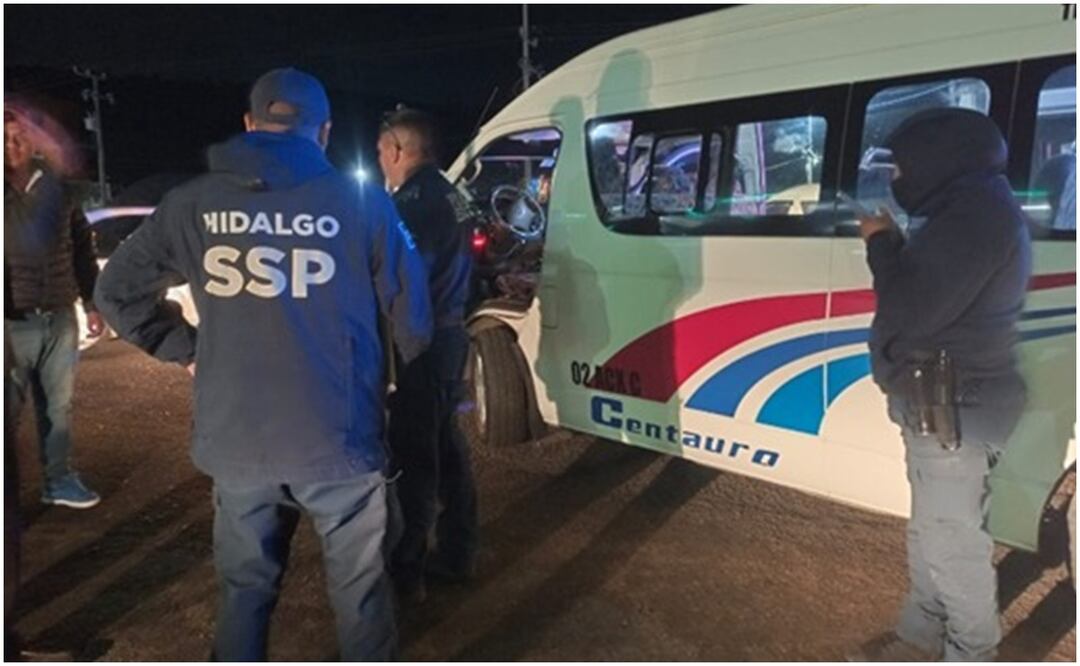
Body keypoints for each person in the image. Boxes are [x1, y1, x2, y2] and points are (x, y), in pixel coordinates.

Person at [94, 68, 433, 660]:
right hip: (338, 439)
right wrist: (380, 375)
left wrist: (189, 351)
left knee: (245, 591)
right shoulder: (362, 202)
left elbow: (116, 292)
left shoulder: (192, 204)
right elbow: (416, 320)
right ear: (323, 132)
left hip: (238, 440)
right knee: (360, 595)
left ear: (249, 124)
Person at [848, 108, 1031, 662]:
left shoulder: (973, 216)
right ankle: (920, 636)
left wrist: (881, 242)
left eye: (902, 169)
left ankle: (971, 653)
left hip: (954, 405)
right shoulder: (971, 208)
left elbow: (910, 307)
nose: (898, 180)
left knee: (952, 542)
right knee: (931, 530)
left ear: (938, 160)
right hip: (940, 402)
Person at [377, 108, 479, 604]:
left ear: (397, 150)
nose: (381, 164)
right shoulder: (454, 194)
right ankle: (457, 549)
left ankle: (405, 571)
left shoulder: (412, 204)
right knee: (446, 445)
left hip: (423, 340)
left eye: (381, 153)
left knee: (415, 459)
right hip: (453, 330)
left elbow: (401, 278)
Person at [5, 107, 103, 509]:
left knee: (58, 408)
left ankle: (58, 480)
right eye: (3, 139)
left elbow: (82, 249)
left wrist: (93, 303)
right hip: (10, 322)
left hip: (60, 316)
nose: (11, 146)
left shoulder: (60, 191)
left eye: (18, 137)